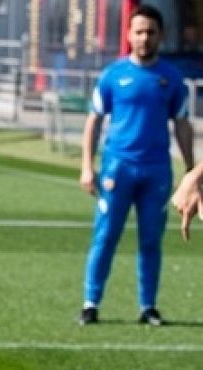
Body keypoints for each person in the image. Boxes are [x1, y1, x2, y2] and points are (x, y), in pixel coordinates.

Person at [77, 4, 192, 327]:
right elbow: (93, 122)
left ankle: (148, 306)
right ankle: (91, 302)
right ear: (129, 35)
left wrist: (191, 172)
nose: (144, 38)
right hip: (118, 168)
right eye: (139, 32)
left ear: (161, 36)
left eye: (151, 32)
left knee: (151, 240)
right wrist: (87, 166)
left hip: (156, 170)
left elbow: (182, 124)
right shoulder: (113, 75)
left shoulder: (170, 79)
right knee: (105, 236)